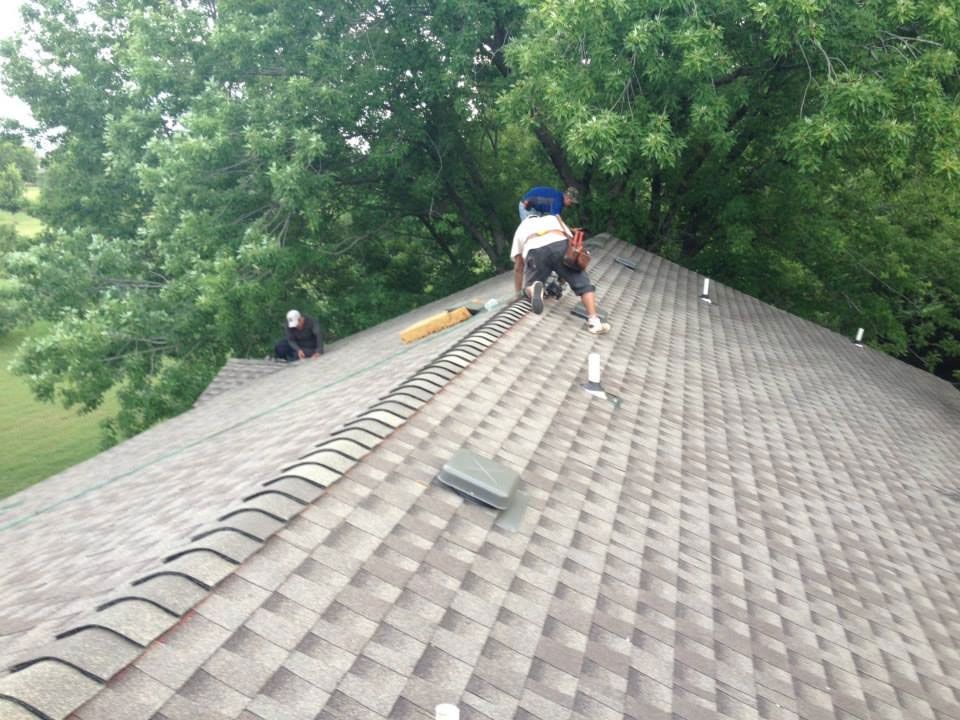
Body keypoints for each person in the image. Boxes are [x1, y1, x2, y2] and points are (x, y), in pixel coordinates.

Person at [511, 214, 610, 335]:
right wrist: (563, 277)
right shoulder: (553, 218)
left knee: (530, 285)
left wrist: (517, 293)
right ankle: (594, 322)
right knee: (584, 285)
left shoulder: (521, 228)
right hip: (559, 244)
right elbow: (570, 242)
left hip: (535, 251)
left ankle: (533, 288)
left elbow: (518, 267)